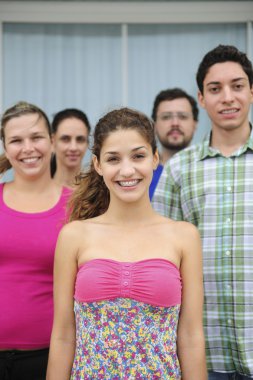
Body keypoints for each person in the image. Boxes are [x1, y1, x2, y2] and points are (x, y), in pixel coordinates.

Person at [46, 107, 207, 380]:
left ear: (155, 159)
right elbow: (63, 336)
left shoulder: (184, 236)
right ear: (98, 165)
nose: (127, 169)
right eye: (113, 159)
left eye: (138, 156)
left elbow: (190, 337)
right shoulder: (74, 236)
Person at [152, 45, 253, 379]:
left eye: (237, 86)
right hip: (203, 352)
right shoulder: (180, 168)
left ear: (251, 91)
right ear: (201, 97)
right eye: (215, 89)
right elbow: (161, 256)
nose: (227, 97)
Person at [0, 101, 71, 380]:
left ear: (52, 141)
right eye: (16, 140)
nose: (28, 148)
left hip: (49, 359)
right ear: (6, 147)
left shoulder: (78, 206)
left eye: (36, 137)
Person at [149, 87, 198, 199]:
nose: (175, 123)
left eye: (183, 117)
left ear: (195, 124)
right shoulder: (141, 174)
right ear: (154, 125)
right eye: (166, 117)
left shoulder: (207, 170)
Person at [51, 108, 91, 187]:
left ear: (87, 143)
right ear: (52, 142)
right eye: (65, 139)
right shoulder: (39, 191)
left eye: (80, 139)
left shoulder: (99, 193)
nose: (73, 148)